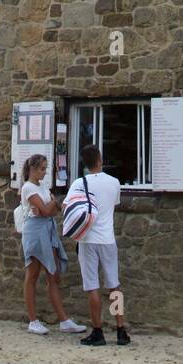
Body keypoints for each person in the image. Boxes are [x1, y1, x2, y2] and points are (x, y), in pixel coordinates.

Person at [66, 144, 130, 347]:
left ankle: (98, 330)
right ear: (100, 159)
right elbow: (113, 204)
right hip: (108, 238)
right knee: (114, 285)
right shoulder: (114, 183)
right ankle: (120, 329)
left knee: (92, 285)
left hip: (87, 238)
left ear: (84, 162)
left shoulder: (78, 183)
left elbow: (68, 206)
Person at [20, 153, 85, 336]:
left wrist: (49, 208)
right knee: (32, 275)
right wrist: (52, 206)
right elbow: (48, 209)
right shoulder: (27, 187)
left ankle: (64, 320)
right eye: (42, 168)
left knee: (53, 274)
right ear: (32, 169)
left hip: (47, 230)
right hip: (35, 232)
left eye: (45, 168)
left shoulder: (42, 186)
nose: (44, 172)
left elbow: (48, 210)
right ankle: (33, 321)